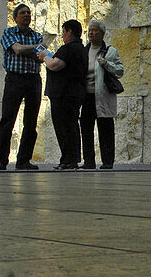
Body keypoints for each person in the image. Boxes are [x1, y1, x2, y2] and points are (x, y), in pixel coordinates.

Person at [0, 4, 45, 171]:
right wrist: (33, 49)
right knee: (8, 120)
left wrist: (27, 50)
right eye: (22, 13)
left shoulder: (36, 35)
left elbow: (42, 58)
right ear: (15, 18)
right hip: (14, 80)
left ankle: (24, 160)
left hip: (33, 80)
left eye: (28, 13)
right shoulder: (9, 33)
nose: (26, 15)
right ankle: (1, 160)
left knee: (31, 122)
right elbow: (17, 49)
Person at [37, 19, 88, 170]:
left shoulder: (69, 48)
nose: (63, 36)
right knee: (71, 126)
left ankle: (68, 160)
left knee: (64, 127)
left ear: (70, 32)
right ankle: (71, 159)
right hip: (74, 93)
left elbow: (55, 65)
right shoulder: (81, 49)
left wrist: (43, 56)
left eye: (64, 32)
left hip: (63, 94)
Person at [80, 20, 124, 169]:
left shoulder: (110, 51)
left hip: (103, 96)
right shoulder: (84, 51)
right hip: (87, 97)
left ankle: (107, 161)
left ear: (103, 34)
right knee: (86, 129)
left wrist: (106, 64)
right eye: (89, 30)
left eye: (95, 30)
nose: (91, 33)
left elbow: (120, 71)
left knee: (105, 129)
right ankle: (89, 161)